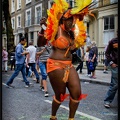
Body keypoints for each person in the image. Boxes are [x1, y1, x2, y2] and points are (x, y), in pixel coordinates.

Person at [44, 0, 93, 119]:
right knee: (60, 95)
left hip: (69, 65)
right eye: (69, 19)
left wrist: (75, 45)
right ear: (62, 19)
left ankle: (71, 118)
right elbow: (41, 42)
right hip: (55, 65)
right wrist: (42, 30)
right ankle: (53, 116)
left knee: (76, 94)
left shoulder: (71, 33)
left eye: (73, 19)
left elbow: (70, 50)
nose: (72, 22)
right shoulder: (56, 30)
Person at [37, 17, 51, 97]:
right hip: (42, 61)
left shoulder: (48, 44)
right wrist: (43, 50)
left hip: (48, 61)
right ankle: (46, 91)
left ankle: (41, 85)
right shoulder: (39, 45)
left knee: (44, 75)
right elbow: (37, 54)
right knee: (45, 75)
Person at [104, 31, 118, 108]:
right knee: (114, 84)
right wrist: (111, 62)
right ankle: (107, 101)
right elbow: (107, 53)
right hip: (116, 66)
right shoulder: (113, 41)